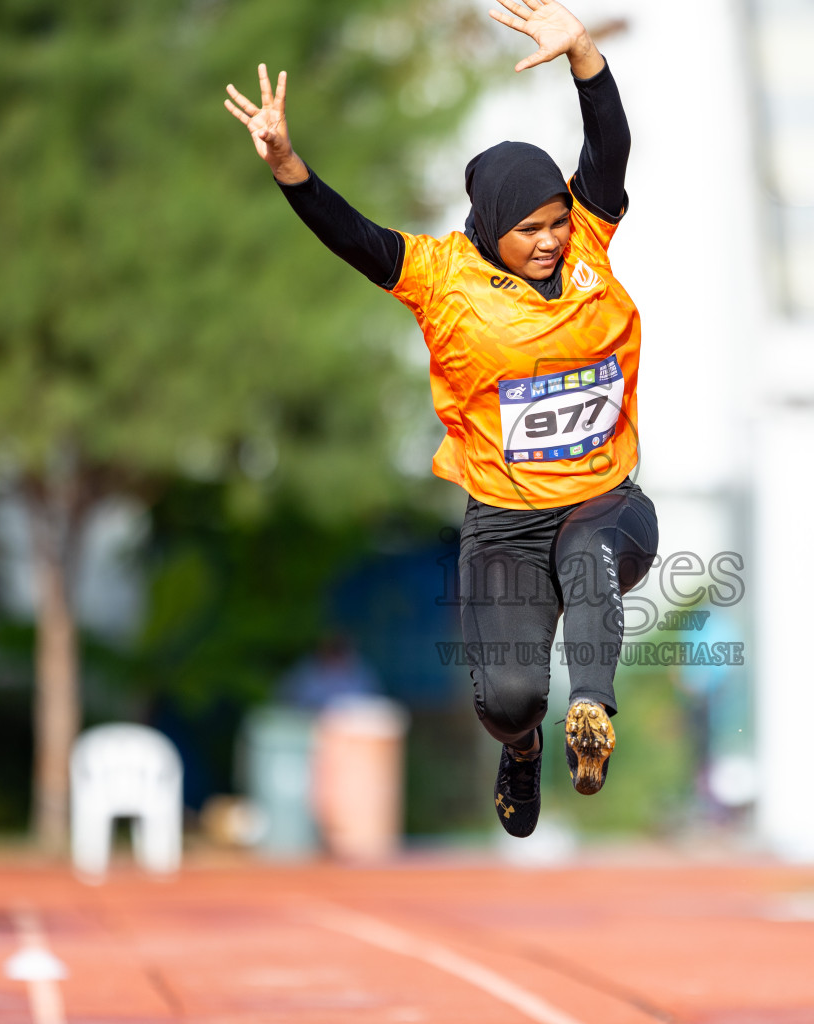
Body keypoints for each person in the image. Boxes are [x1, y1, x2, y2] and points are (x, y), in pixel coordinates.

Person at [224, 0, 657, 839]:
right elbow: (347, 233)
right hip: (504, 524)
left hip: (607, 502)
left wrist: (585, 58)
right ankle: (525, 744)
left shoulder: (592, 241)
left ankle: (593, 712)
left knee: (592, 560)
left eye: (558, 222)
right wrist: (287, 164)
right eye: (530, 229)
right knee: (507, 698)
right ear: (493, 228)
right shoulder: (438, 277)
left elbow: (611, 150)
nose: (550, 240)